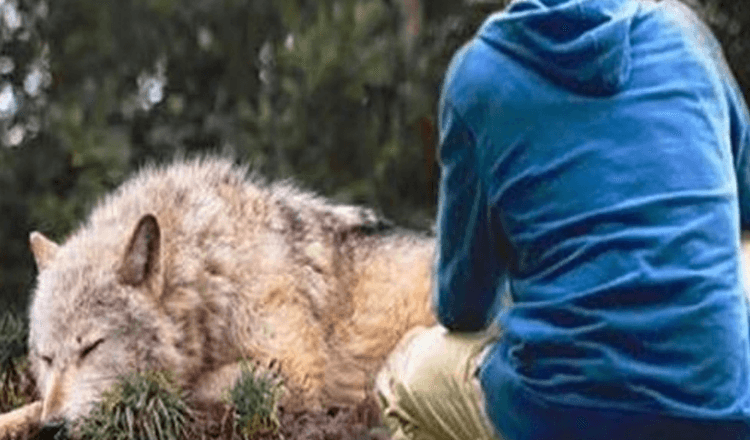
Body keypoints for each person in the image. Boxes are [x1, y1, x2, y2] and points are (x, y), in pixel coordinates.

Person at [374, 0, 750, 439]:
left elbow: (464, 309)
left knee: (405, 374)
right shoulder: (686, 36)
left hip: (564, 414)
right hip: (724, 413)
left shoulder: (478, 78)